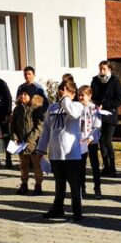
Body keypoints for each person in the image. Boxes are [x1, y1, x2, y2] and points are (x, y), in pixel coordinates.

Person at [37, 79, 84, 221]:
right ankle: (58, 209)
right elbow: (46, 130)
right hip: (56, 153)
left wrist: (65, 99)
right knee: (59, 184)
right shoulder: (52, 108)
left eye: (67, 92)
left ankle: (77, 211)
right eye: (61, 92)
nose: (62, 94)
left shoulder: (77, 106)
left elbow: (73, 114)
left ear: (73, 94)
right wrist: (41, 150)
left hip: (72, 154)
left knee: (74, 185)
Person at [90, 60, 121, 178]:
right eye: (100, 69)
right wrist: (96, 104)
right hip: (98, 115)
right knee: (101, 141)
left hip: (110, 115)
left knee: (107, 140)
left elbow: (119, 99)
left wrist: (105, 105)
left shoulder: (114, 81)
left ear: (109, 69)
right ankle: (106, 167)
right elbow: (92, 96)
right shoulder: (95, 80)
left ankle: (113, 168)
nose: (102, 71)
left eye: (104, 69)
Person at [9, 88, 45, 195]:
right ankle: (24, 185)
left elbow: (39, 127)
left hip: (33, 143)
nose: (23, 96)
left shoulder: (37, 109)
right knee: (23, 165)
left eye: (25, 94)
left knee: (36, 165)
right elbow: (13, 125)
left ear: (31, 96)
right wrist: (15, 137)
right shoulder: (17, 109)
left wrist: (30, 140)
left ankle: (38, 186)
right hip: (21, 142)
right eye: (21, 94)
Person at [77, 85, 102, 199]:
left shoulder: (94, 108)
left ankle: (97, 188)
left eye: (83, 95)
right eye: (79, 95)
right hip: (81, 141)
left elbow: (97, 125)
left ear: (89, 96)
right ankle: (82, 188)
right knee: (81, 166)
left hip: (92, 141)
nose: (81, 98)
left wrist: (90, 138)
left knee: (94, 165)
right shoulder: (77, 107)